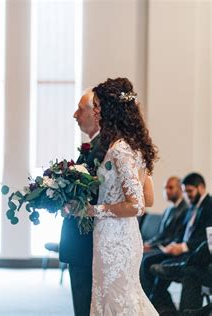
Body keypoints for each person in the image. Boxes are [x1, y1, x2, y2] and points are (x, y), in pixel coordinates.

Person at [86, 77, 159, 315]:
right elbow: (148, 198)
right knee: (118, 298)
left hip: (115, 240)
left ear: (111, 109)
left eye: (97, 106)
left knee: (117, 302)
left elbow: (137, 205)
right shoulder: (134, 146)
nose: (94, 111)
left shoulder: (119, 149)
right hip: (121, 235)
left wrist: (94, 209)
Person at [59, 88, 106, 316]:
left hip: (87, 242)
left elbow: (100, 193)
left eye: (80, 109)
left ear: (96, 113)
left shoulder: (103, 149)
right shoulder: (92, 148)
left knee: (85, 305)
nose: (75, 115)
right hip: (81, 242)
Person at [147, 173, 212, 315]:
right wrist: (175, 245)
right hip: (191, 253)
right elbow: (182, 234)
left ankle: (165, 306)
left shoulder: (209, 205)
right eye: (185, 192)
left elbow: (206, 237)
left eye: (190, 191)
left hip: (193, 253)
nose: (187, 195)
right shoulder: (191, 207)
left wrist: (183, 247)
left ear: (201, 188)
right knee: (151, 262)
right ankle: (161, 306)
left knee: (187, 270)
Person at [140, 176, 189, 295]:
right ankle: (154, 298)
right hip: (163, 245)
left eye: (171, 187)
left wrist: (152, 247)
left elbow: (176, 237)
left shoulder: (185, 209)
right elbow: (161, 234)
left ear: (180, 189)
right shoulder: (168, 209)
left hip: (174, 248)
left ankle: (155, 298)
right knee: (141, 254)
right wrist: (148, 243)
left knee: (146, 259)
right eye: (164, 188)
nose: (166, 190)